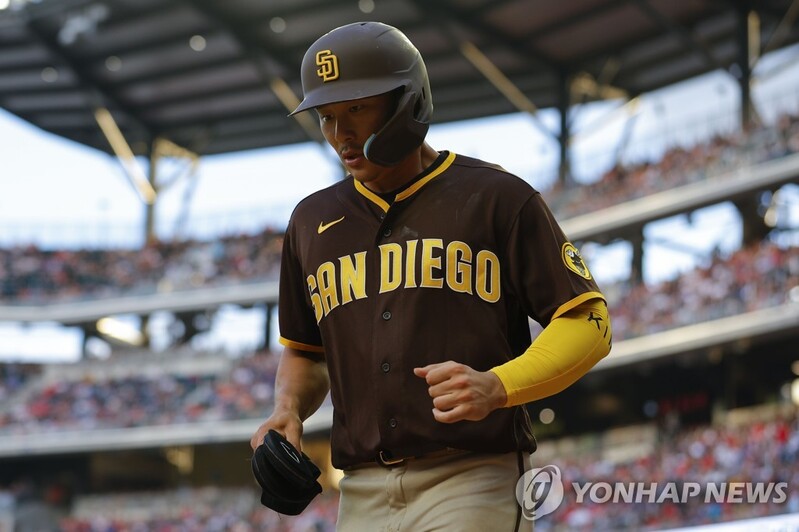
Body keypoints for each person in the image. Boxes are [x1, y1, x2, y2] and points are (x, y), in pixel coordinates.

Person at [251, 21, 613, 531]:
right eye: (327, 116)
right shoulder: (310, 222)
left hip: (470, 475)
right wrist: (288, 408)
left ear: (408, 101)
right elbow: (306, 354)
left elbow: (589, 324)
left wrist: (497, 386)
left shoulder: (496, 197)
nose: (340, 133)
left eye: (356, 108)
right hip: (360, 491)